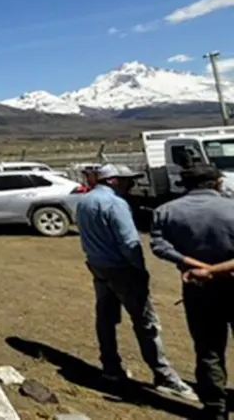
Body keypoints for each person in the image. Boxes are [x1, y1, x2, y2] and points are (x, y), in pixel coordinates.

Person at [75, 164, 196, 400]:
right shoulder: (116, 204)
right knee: (146, 322)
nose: (131, 184)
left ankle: (111, 367)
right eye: (126, 180)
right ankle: (164, 375)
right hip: (122, 269)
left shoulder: (85, 201)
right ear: (112, 181)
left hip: (98, 265)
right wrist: (140, 270)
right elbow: (129, 243)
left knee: (106, 318)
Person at [151, 164, 234, 418]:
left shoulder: (166, 211)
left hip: (198, 289)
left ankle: (215, 408)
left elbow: (159, 246)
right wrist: (214, 269)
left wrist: (197, 267)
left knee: (208, 350)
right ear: (217, 183)